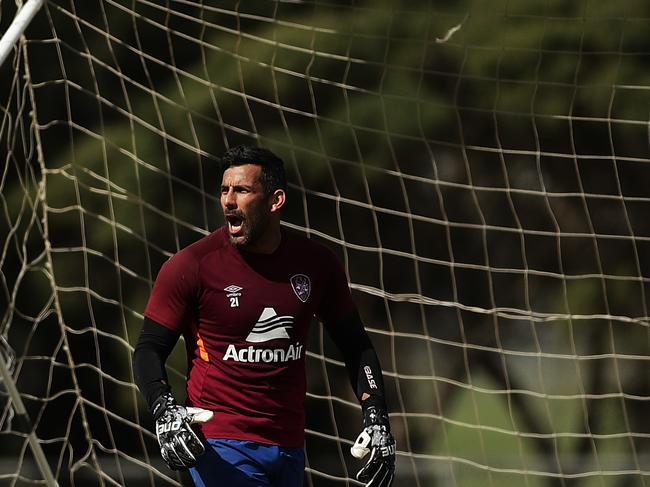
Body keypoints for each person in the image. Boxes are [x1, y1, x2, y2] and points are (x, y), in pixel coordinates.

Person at [132, 145, 395, 487]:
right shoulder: (191, 266)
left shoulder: (317, 264)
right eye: (224, 190)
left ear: (275, 201)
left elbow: (356, 345)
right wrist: (163, 409)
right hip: (219, 442)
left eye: (241, 190)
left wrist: (377, 417)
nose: (228, 200)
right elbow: (148, 348)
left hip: (288, 444)